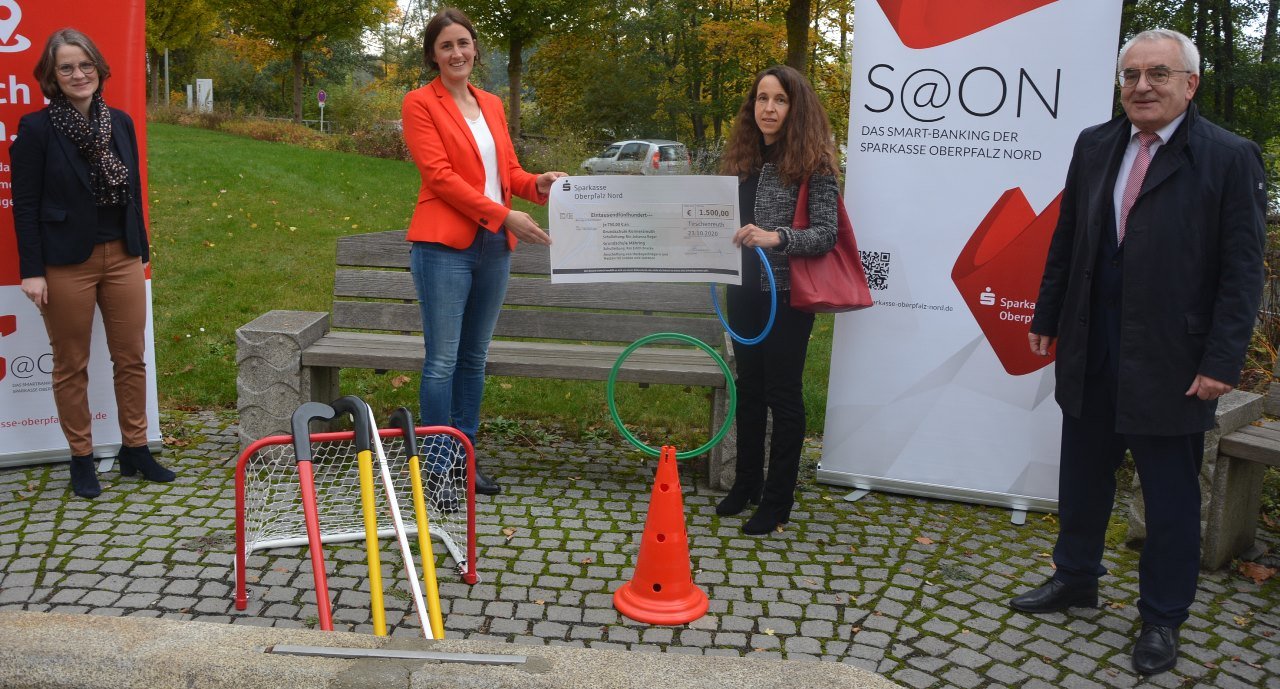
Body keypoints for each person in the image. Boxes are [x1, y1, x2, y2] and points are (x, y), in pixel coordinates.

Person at [1012, 29, 1265, 676]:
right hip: (1092, 346)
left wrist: (1220, 359)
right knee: (1083, 477)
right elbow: (1068, 234)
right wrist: (1047, 312)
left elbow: (1242, 270)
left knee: (1171, 498)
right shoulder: (1096, 144)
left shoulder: (1229, 157)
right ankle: (1075, 577)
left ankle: (1162, 616)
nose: (1142, 86)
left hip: (1174, 360)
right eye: (1131, 75)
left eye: (1158, 74)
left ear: (1191, 84)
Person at [401, 8, 565, 495]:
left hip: (494, 247)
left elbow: (507, 172)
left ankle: (464, 462)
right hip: (443, 247)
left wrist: (538, 183)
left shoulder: (491, 103)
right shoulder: (419, 103)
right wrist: (501, 213)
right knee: (442, 362)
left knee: (474, 358)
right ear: (433, 54)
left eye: (464, 44)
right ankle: (435, 469)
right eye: (446, 45)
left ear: (476, 49)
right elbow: (440, 178)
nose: (457, 53)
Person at [10, 29, 175, 500]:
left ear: (99, 69)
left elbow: (133, 193)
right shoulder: (37, 129)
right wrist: (32, 269)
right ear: (52, 76)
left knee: (131, 358)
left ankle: (135, 450)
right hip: (65, 263)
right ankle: (81, 459)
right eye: (66, 67)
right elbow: (24, 204)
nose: (78, 75)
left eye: (85, 65)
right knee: (70, 365)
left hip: (121, 254)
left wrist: (140, 248)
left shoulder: (119, 122)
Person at [715, 65, 840, 535]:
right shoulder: (739, 161)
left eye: (780, 100)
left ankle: (778, 498)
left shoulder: (816, 165)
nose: (768, 108)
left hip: (786, 295)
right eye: (761, 99)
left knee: (782, 393)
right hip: (740, 289)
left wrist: (776, 237)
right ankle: (746, 482)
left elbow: (825, 234)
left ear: (796, 107)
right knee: (747, 386)